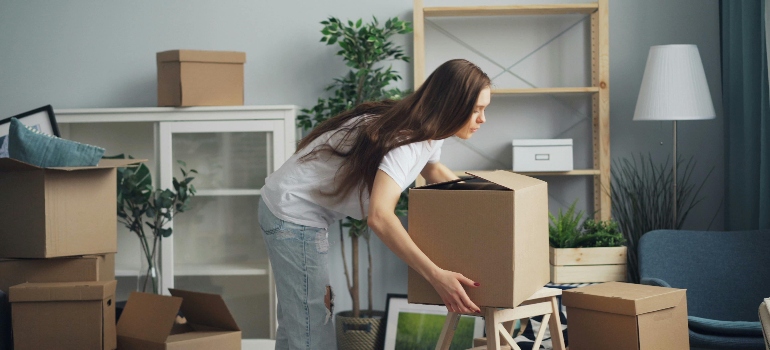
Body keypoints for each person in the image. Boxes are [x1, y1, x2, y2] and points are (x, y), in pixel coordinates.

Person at [258, 58, 491, 349]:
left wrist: (489, 203)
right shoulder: (406, 140)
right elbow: (379, 217)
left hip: (297, 211)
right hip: (292, 214)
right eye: (477, 110)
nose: (482, 119)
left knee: (298, 323)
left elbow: (434, 172)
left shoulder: (430, 132)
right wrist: (436, 276)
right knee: (311, 327)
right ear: (452, 105)